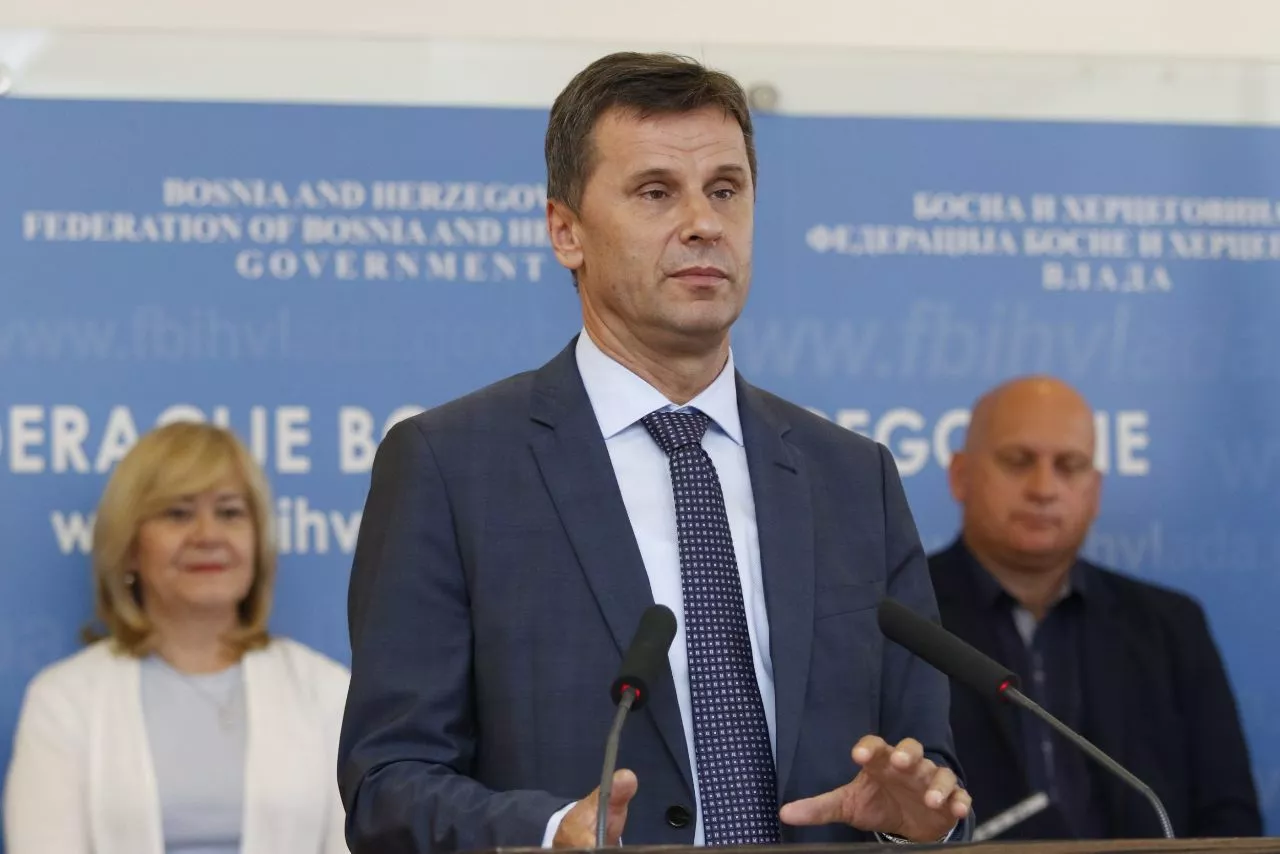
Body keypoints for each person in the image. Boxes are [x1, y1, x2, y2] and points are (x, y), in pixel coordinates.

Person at [338, 51, 972, 853]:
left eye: (725, 190)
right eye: (655, 192)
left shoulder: (852, 477)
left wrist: (923, 827)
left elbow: (926, 768)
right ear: (565, 231)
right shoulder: (450, 467)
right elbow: (388, 783)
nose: (704, 223)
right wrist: (545, 832)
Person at [929, 375, 1262, 839]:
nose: (1044, 488)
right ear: (960, 475)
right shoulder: (904, 619)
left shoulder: (1170, 625)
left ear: (1095, 489)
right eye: (1018, 461)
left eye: (1069, 465)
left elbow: (1230, 818)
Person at [4, 421, 352, 854]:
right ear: (130, 545)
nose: (208, 535)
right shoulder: (63, 701)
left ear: (258, 540)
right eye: (178, 513)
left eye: (229, 512)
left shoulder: (326, 692)